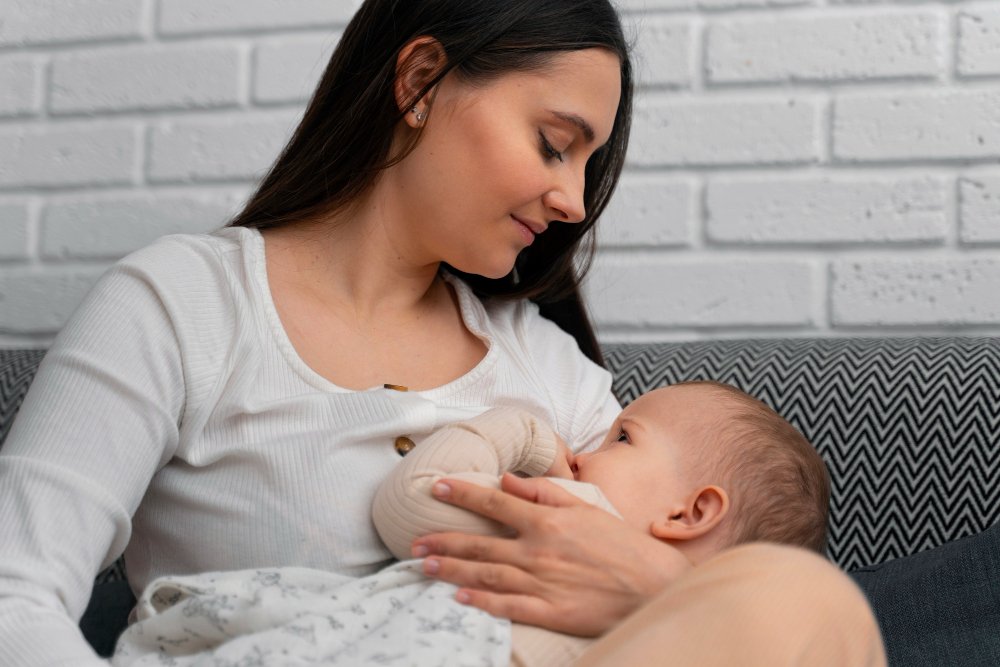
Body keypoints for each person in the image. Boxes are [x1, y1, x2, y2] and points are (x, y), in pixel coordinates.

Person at [0, 1, 885, 665]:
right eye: (553, 143)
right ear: (420, 80)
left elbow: (684, 547)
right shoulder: (184, 303)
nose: (575, 201)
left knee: (799, 598)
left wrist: (656, 588)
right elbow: (15, 594)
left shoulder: (550, 372)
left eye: (588, 164)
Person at [372, 380, 832, 665]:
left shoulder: (573, 519)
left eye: (623, 437)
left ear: (689, 514)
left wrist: (521, 431)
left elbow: (412, 507)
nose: (583, 454)